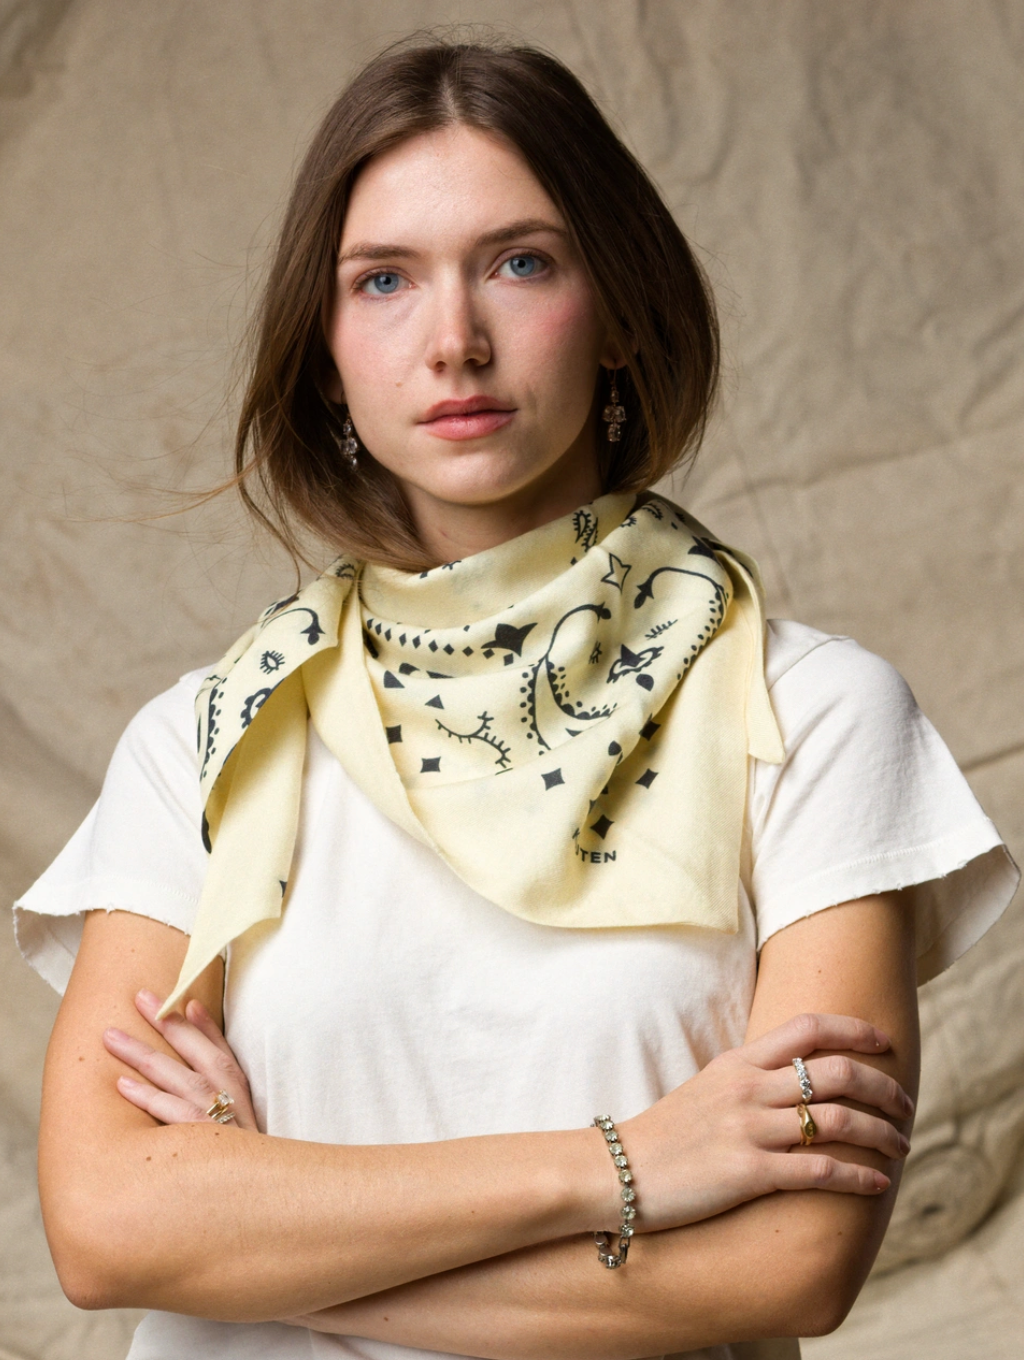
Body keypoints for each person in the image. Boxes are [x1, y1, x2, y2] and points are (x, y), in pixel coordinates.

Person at [14, 36, 1017, 1360]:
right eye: (382, 281)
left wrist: (258, 1239)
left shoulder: (816, 716)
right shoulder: (201, 742)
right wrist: (624, 1163)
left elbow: (792, 1262)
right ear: (322, 357)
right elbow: (104, 1231)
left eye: (521, 262)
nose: (453, 341)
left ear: (623, 314)